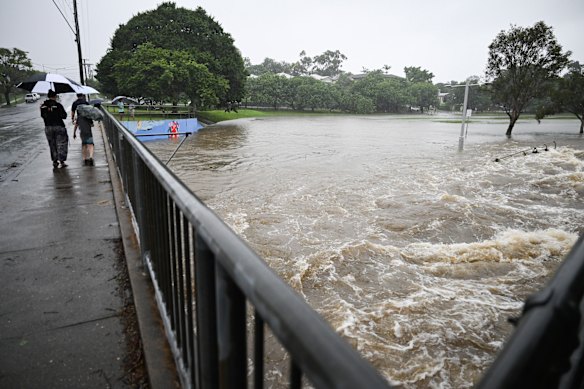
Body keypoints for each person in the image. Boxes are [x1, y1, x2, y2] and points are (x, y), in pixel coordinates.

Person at [40, 89, 68, 168]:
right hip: (59, 126)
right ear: (55, 96)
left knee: (52, 144)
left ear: (48, 96)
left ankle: (55, 161)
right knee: (61, 144)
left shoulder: (43, 106)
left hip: (48, 127)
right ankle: (62, 161)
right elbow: (64, 116)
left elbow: (43, 116)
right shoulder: (58, 105)